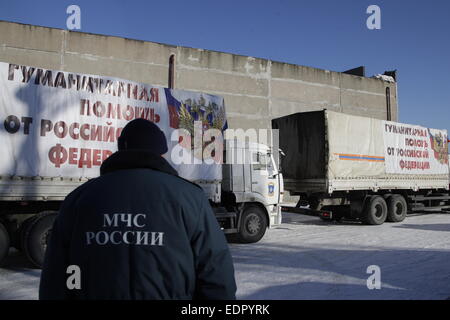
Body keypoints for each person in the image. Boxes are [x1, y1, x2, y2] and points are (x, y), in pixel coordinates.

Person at [39, 118, 237, 300]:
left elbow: (56, 275)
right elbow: (215, 272)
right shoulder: (190, 198)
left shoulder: (79, 199)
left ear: (121, 149)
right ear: (161, 153)